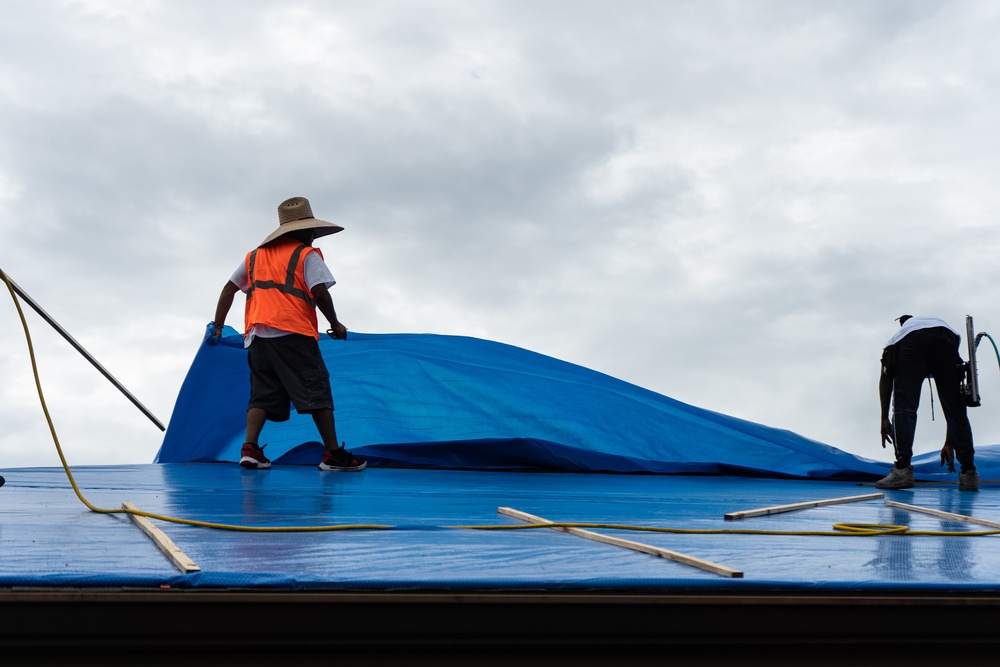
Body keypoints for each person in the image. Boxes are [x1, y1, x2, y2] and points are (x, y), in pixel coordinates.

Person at [212, 196, 366, 472]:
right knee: (316, 390)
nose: (313, 236)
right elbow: (319, 291)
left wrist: (219, 326)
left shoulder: (254, 257)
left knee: (261, 394)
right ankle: (333, 455)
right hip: (293, 333)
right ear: (302, 231)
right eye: (311, 230)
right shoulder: (306, 255)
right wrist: (335, 323)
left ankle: (251, 450)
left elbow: (228, 289)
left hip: (258, 337)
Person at [878, 315, 977, 491]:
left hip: (913, 344)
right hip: (946, 339)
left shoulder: (900, 334)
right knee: (955, 408)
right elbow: (953, 408)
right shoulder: (937, 324)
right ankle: (969, 474)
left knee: (905, 407)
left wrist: (884, 418)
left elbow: (886, 377)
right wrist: (949, 442)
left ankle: (902, 470)